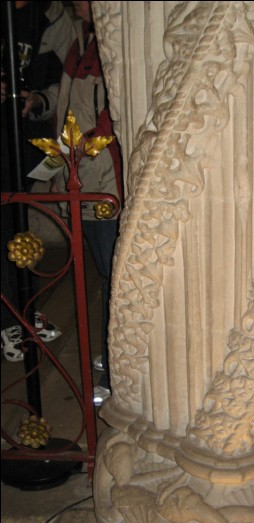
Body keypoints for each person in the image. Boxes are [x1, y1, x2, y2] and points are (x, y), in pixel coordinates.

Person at [34, 0, 123, 405]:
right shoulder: (82, 42)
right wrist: (41, 103)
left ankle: (121, 369)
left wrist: (84, 146)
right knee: (106, 272)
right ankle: (114, 359)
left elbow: (117, 109)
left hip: (103, 181)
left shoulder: (114, 40)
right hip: (80, 178)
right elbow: (70, 100)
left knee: (115, 273)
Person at [1, 1, 75, 361]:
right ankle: (11, 320)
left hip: (23, 140)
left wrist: (38, 100)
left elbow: (67, 80)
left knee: (15, 228)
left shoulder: (52, 14)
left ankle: (19, 313)